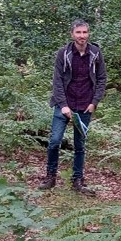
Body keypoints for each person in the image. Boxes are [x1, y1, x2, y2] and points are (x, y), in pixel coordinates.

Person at [40, 19, 107, 193]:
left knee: (80, 145)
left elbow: (101, 79)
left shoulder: (96, 53)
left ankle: (78, 180)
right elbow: (57, 81)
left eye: (85, 32)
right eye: (78, 33)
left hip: (85, 105)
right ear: (72, 34)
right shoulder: (63, 54)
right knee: (54, 141)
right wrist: (63, 105)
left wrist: (94, 102)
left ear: (88, 34)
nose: (82, 36)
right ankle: (50, 176)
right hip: (64, 105)